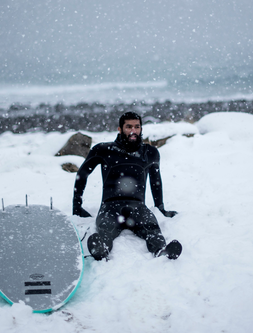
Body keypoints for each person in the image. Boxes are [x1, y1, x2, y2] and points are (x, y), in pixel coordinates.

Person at [73, 111, 182, 260]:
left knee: (152, 228)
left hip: (137, 206)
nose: (133, 131)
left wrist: (160, 207)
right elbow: (82, 174)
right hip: (110, 206)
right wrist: (77, 206)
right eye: (128, 127)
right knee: (105, 230)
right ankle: (101, 250)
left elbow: (156, 181)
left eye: (137, 127)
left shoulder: (150, 152)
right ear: (119, 129)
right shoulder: (103, 150)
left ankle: (161, 251)